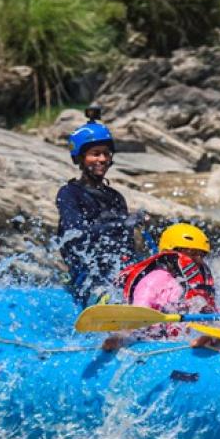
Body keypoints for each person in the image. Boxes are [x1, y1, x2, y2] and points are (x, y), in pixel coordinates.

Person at [57, 107, 142, 304]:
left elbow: (126, 246)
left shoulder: (116, 197)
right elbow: (75, 232)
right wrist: (121, 223)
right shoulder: (69, 193)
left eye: (106, 154)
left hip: (115, 271)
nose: (102, 159)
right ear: (80, 158)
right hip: (86, 275)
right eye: (95, 154)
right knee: (106, 293)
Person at [116, 223, 216, 317]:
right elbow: (139, 311)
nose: (198, 260)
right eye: (192, 254)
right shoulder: (156, 279)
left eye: (201, 255)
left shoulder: (193, 282)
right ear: (171, 253)